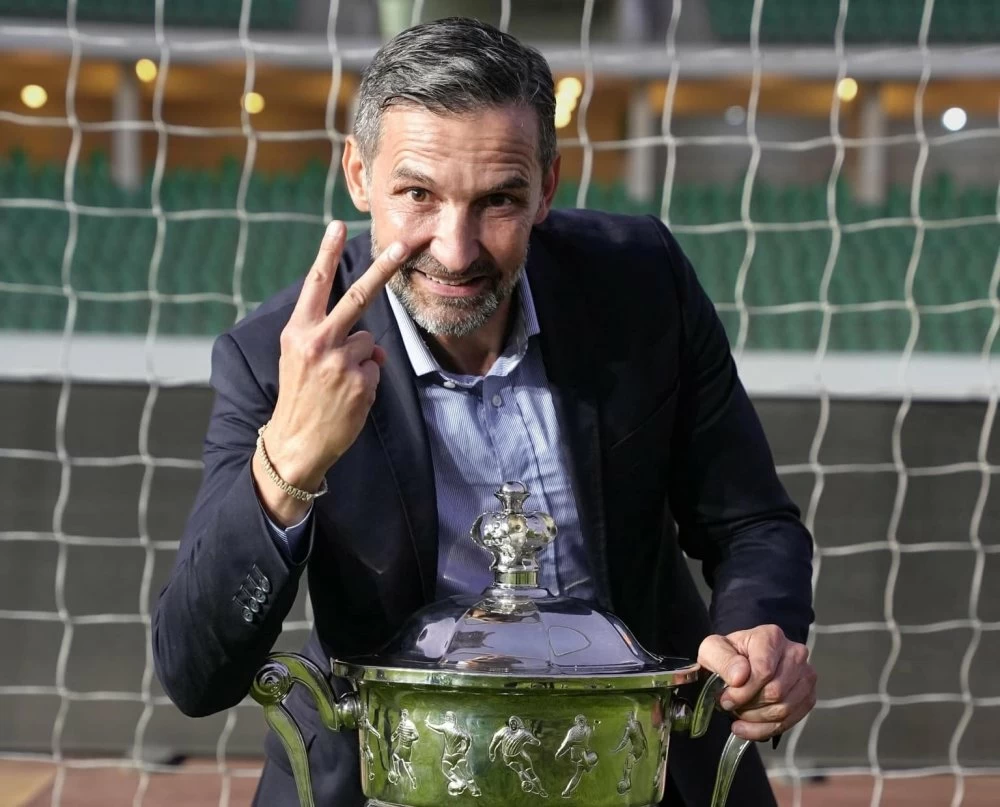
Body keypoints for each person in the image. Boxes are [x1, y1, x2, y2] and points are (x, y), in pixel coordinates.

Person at [152, 16, 816, 806]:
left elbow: (752, 523)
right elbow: (196, 672)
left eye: (498, 200)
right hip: (388, 779)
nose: (457, 249)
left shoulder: (642, 284)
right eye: (418, 195)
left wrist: (758, 633)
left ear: (548, 187)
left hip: (642, 767)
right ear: (359, 176)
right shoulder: (279, 356)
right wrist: (288, 465)